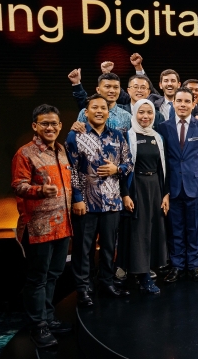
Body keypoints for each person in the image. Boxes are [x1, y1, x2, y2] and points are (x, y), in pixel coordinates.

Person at [11, 104, 73, 348]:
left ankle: (48, 318)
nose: (50, 128)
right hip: (38, 228)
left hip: (63, 225)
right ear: (35, 126)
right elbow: (18, 185)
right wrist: (39, 190)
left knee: (54, 275)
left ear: (60, 126)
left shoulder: (62, 150)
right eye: (44, 123)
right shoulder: (25, 153)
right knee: (37, 278)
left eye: (54, 124)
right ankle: (38, 326)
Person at [66, 94, 134, 305]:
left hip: (112, 202)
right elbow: (71, 170)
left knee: (108, 247)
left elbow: (129, 163)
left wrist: (117, 169)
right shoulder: (75, 135)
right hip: (86, 203)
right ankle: (83, 288)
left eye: (103, 108)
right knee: (83, 249)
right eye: (94, 107)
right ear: (86, 112)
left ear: (108, 112)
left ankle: (107, 282)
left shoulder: (118, 135)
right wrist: (77, 198)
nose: (99, 111)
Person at [156, 87, 198, 283]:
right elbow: (161, 161)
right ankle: (177, 266)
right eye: (179, 101)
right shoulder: (163, 127)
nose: (182, 105)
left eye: (186, 101)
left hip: (196, 187)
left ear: (193, 104)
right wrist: (163, 191)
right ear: (173, 103)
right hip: (172, 187)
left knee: (195, 229)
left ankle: (195, 266)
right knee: (175, 230)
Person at [118, 99, 168, 294]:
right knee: (138, 232)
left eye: (149, 112)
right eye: (141, 112)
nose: (145, 116)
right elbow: (122, 168)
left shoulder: (158, 137)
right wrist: (125, 194)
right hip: (136, 186)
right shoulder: (127, 135)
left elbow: (163, 168)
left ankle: (146, 270)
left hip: (154, 187)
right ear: (135, 113)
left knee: (152, 231)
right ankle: (141, 275)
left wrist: (165, 194)